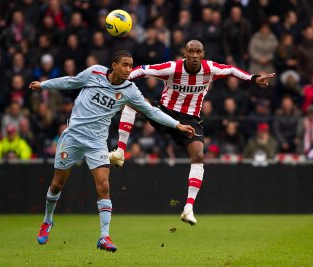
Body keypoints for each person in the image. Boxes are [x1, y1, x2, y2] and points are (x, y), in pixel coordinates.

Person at [28, 50, 194, 252]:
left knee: (104, 185)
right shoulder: (94, 73)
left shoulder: (130, 90)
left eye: (131, 66)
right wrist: (44, 85)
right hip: (72, 137)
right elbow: (71, 81)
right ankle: (47, 221)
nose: (128, 69)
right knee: (57, 184)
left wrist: (177, 125)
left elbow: (151, 111)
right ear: (113, 65)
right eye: (124, 65)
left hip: (97, 142)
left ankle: (104, 236)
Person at [109, 40, 275, 225]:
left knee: (198, 156)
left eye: (198, 52)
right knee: (132, 103)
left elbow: (231, 70)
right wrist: (122, 78)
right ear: (185, 53)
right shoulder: (172, 68)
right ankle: (120, 152)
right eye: (191, 52)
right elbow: (143, 70)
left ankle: (188, 208)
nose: (195, 55)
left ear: (203, 54)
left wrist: (253, 78)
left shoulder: (210, 69)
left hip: (190, 120)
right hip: (164, 111)